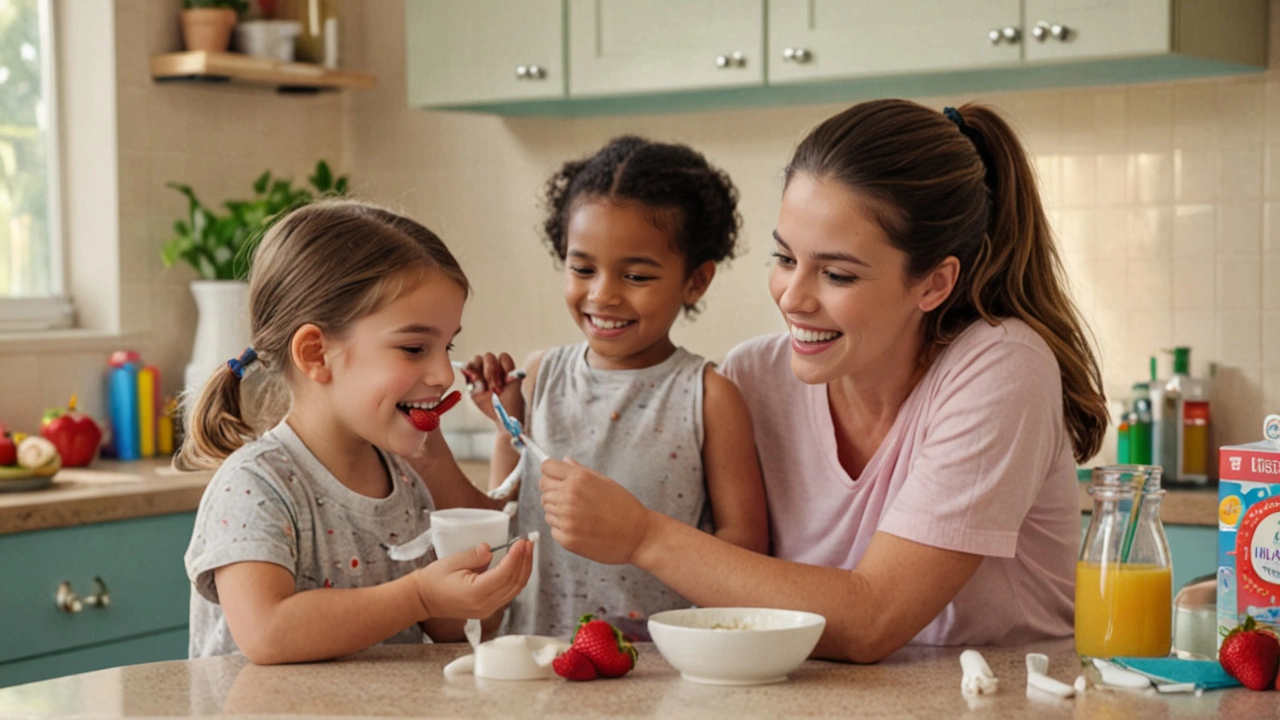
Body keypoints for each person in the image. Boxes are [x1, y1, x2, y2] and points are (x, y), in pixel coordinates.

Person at [537, 100, 1108, 662]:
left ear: (934, 284)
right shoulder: (754, 378)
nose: (793, 296)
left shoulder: (1002, 366)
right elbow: (726, 575)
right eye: (785, 259)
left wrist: (642, 536)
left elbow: (871, 620)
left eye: (836, 273)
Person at [179, 200, 534, 663]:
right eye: (414, 347)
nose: (445, 374)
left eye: (447, 346)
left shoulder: (404, 481)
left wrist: (475, 596)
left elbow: (444, 626)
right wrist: (420, 596)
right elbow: (268, 632)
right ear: (315, 354)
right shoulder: (255, 483)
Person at [464, 136, 769, 639]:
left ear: (695, 281)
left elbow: (744, 551)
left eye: (635, 275)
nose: (602, 294)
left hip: (660, 667)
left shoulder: (709, 396)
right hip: (539, 653)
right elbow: (508, 518)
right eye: (582, 268)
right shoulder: (540, 376)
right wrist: (506, 426)